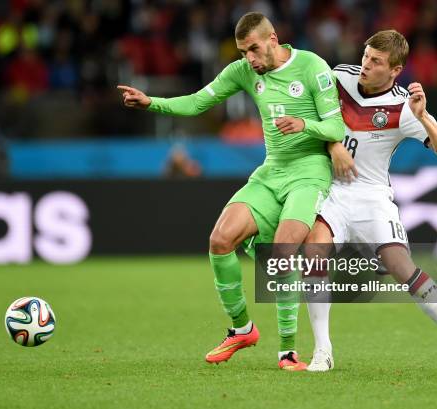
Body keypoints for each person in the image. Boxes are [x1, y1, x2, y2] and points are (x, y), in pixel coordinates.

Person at [118, 11, 344, 370]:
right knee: (220, 239)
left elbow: (336, 126)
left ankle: (287, 351)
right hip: (271, 172)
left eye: (253, 49)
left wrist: (304, 124)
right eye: (242, 52)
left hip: (309, 173)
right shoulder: (243, 71)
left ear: (273, 40)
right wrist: (152, 103)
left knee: (282, 251)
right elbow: (197, 102)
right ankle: (242, 328)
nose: (249, 59)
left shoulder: (312, 66)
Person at [303, 29, 437, 372]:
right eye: (365, 56)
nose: (365, 65)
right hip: (332, 193)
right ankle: (322, 351)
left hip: (372, 197)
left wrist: (422, 117)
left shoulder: (405, 107)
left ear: (395, 70)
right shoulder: (338, 78)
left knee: (403, 270)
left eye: (376, 62)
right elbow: (313, 116)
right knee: (314, 252)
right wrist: (332, 146)